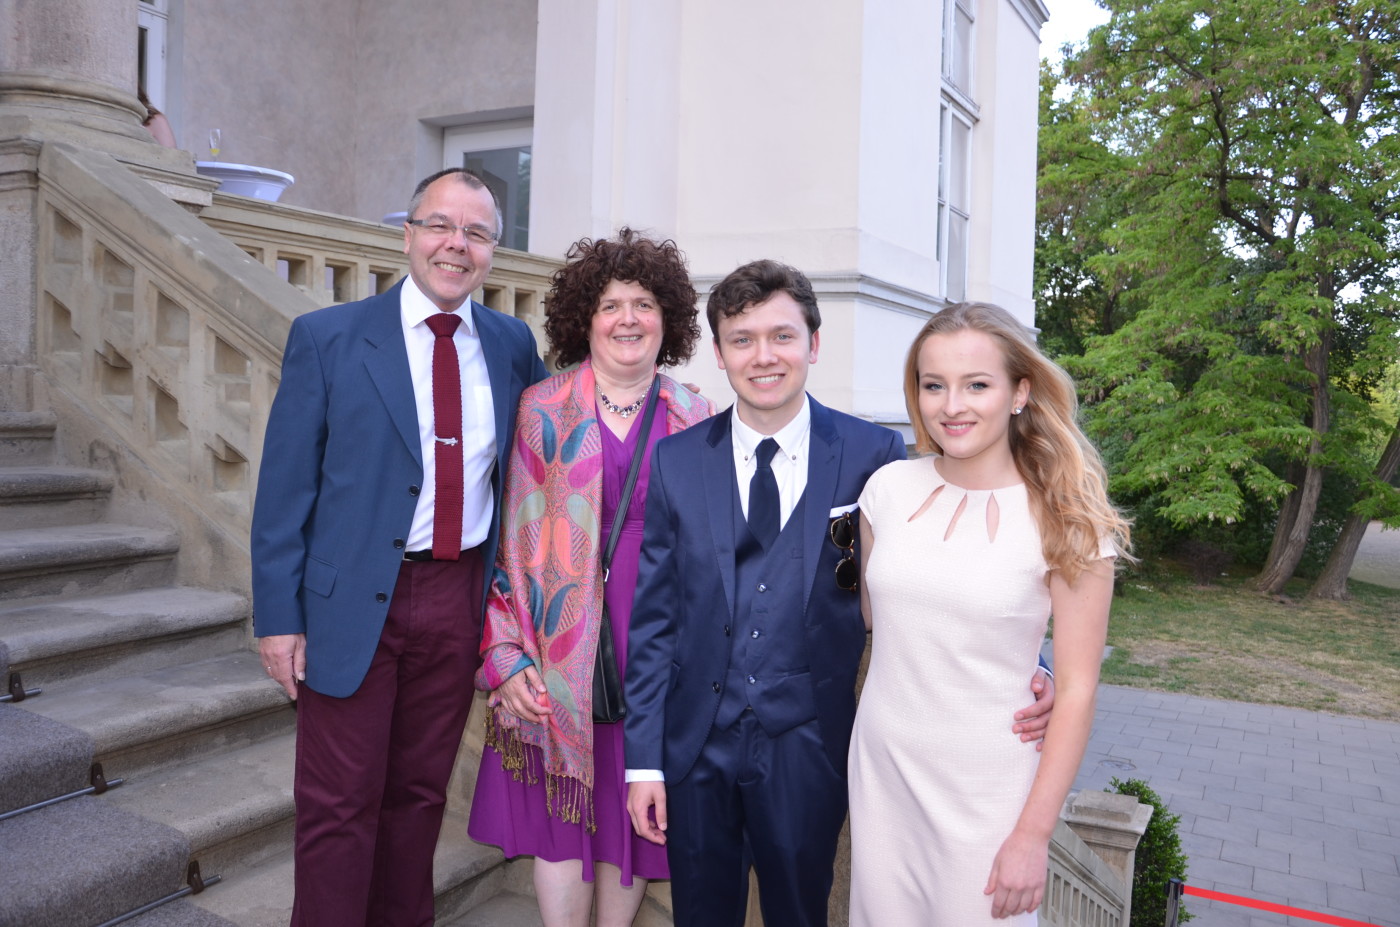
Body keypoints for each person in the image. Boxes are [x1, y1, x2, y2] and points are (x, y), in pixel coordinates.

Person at [622, 262, 1057, 927]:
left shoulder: (871, 454)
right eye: (742, 339)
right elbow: (653, 622)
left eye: (782, 336)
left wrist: (1033, 661)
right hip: (694, 747)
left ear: (814, 343)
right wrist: (643, 766)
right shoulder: (675, 460)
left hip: (811, 744)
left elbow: (938, 573)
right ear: (720, 353)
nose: (764, 356)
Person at [250, 167, 547, 927]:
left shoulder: (512, 344)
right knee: (338, 803)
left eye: (476, 233)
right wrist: (278, 618)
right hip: (349, 603)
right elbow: (285, 490)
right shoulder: (328, 338)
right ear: (408, 235)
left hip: (456, 597)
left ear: (493, 252)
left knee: (419, 796)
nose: (457, 244)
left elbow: (551, 450)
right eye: (440, 225)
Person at [848, 301, 1132, 924]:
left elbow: (1080, 689)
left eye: (977, 385)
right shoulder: (886, 490)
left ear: (1019, 392)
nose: (952, 405)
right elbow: (879, 620)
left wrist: (1033, 835)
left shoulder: (1069, 520)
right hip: (883, 772)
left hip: (988, 788)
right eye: (934, 385)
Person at [471, 229, 715, 927]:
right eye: (611, 305)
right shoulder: (542, 408)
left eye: (644, 304)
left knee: (631, 810)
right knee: (563, 815)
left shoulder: (696, 414)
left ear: (667, 318)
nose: (627, 319)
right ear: (586, 317)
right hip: (561, 646)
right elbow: (507, 542)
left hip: (659, 645)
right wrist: (504, 652)